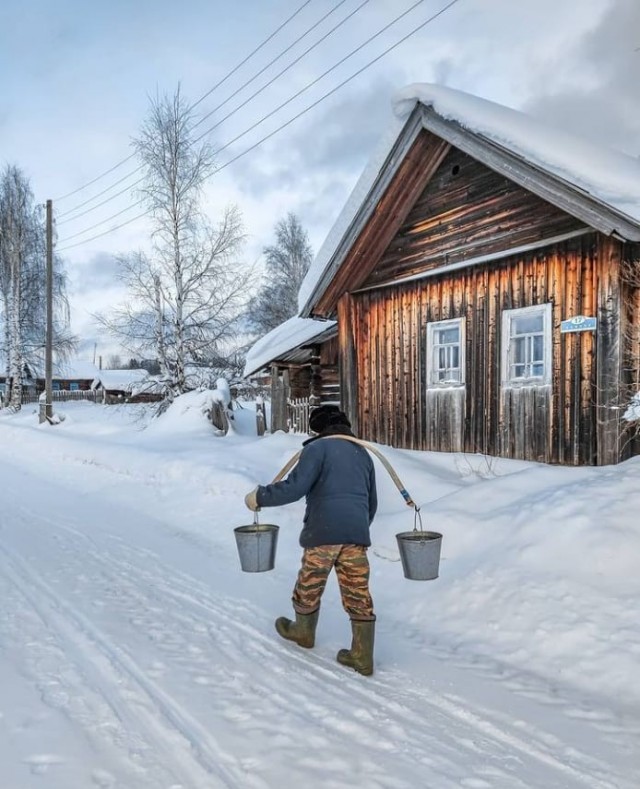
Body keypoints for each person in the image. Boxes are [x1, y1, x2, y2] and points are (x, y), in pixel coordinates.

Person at [244, 404, 378, 676]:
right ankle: (362, 656)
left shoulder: (316, 449)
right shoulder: (363, 454)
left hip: (323, 532)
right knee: (357, 592)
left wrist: (259, 496)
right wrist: (356, 527)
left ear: (319, 428)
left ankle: (303, 632)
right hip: (356, 534)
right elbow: (371, 503)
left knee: (310, 582)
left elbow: (295, 488)